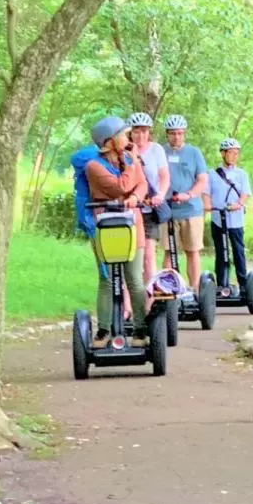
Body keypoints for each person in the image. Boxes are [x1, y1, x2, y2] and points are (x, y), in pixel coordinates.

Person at [84, 116, 149, 347]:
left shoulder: (130, 158)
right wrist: (131, 165)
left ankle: (141, 329)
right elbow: (119, 186)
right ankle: (103, 330)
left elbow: (142, 184)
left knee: (134, 279)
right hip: (107, 226)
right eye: (123, 135)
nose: (128, 138)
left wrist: (134, 197)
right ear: (109, 141)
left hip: (133, 224)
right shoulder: (94, 167)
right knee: (108, 280)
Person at [160, 114, 208, 291]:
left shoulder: (194, 153)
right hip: (167, 210)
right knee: (168, 251)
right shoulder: (161, 151)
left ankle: (195, 289)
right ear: (167, 134)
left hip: (191, 210)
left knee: (192, 250)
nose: (176, 137)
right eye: (172, 133)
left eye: (180, 133)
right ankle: (168, 289)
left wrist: (188, 194)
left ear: (184, 134)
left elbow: (202, 180)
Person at [127, 112, 169, 285]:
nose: (141, 135)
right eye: (137, 131)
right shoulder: (125, 150)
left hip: (150, 209)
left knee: (149, 256)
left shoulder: (156, 149)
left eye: (144, 131)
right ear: (130, 133)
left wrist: (160, 194)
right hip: (130, 210)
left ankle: (150, 299)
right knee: (130, 256)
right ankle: (130, 297)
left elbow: (164, 176)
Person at [206, 138, 250, 294]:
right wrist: (208, 206)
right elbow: (206, 193)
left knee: (238, 251)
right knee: (221, 251)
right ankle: (221, 284)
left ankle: (243, 284)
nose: (234, 156)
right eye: (231, 152)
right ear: (223, 154)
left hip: (236, 220)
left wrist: (239, 204)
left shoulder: (241, 174)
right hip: (218, 219)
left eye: (236, 153)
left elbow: (245, 193)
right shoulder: (212, 174)